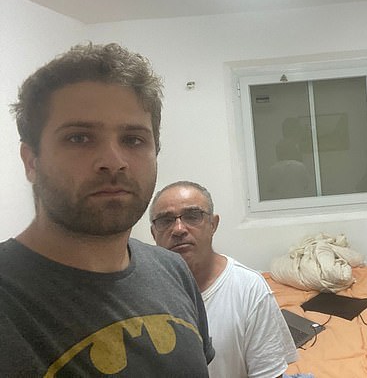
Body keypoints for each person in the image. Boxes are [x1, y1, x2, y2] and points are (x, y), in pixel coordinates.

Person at [0, 43, 214, 376]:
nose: (114, 162)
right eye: (79, 138)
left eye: (133, 139)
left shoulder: (173, 269)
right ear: (31, 161)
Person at [150, 181, 298, 378]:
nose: (178, 229)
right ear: (153, 233)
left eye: (193, 216)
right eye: (165, 220)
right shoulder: (142, 293)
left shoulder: (248, 288)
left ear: (213, 224)